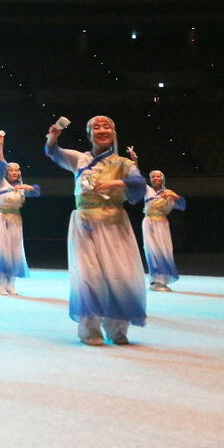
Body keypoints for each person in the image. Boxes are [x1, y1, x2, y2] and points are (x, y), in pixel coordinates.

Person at [45, 115, 147, 345]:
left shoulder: (123, 163)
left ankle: (117, 328)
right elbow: (53, 152)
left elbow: (139, 184)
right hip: (85, 223)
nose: (102, 130)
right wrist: (53, 137)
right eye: (96, 127)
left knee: (119, 275)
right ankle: (90, 329)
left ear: (114, 133)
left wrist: (115, 183)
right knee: (89, 276)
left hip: (114, 223)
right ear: (89, 134)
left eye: (107, 126)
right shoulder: (79, 159)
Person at [0, 130, 41, 295]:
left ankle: (11, 283)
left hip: (16, 220)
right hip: (2, 219)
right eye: (11, 170)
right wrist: (1, 145)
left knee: (15, 251)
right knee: (2, 251)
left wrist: (28, 187)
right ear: (6, 172)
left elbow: (38, 192)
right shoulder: (1, 183)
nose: (15, 172)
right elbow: (0, 162)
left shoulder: (22, 187)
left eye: (17, 170)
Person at [141, 170, 186, 292]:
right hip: (149, 222)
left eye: (158, 176)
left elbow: (182, 205)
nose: (156, 178)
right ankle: (155, 280)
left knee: (164, 250)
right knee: (152, 251)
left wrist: (173, 196)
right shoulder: (147, 190)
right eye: (153, 176)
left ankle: (163, 280)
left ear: (163, 178)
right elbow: (137, 179)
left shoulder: (168, 192)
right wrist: (134, 163)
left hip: (162, 223)